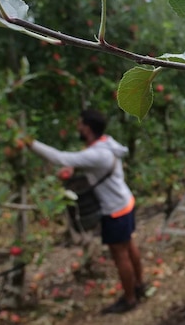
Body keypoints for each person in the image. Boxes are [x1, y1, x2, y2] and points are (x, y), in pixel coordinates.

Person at [27, 108, 145, 314]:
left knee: (120, 255)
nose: (77, 128)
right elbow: (86, 161)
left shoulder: (96, 154)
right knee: (129, 244)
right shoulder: (107, 143)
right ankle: (139, 285)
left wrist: (29, 142)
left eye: (80, 124)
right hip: (126, 201)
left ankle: (129, 299)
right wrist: (75, 167)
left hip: (115, 210)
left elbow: (60, 158)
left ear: (87, 128)